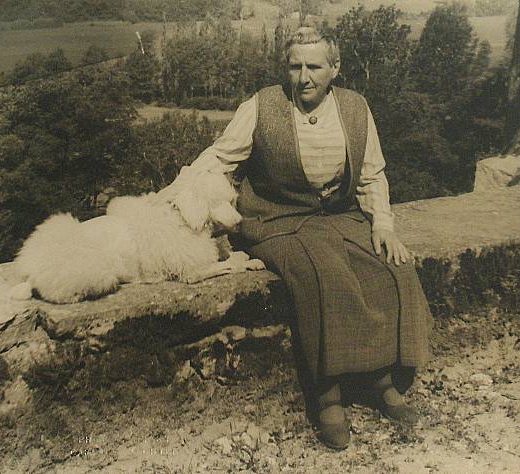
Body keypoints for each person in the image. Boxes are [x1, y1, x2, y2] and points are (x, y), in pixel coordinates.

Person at [163, 26, 432, 449]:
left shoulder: (356, 109)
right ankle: (328, 395)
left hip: (337, 215)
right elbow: (219, 159)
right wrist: (172, 198)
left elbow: (371, 174)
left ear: (335, 69)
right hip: (275, 219)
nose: (304, 76)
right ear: (286, 69)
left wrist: (383, 224)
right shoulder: (260, 107)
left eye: (314, 66)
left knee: (391, 267)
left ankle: (380, 377)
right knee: (318, 271)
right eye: (295, 66)